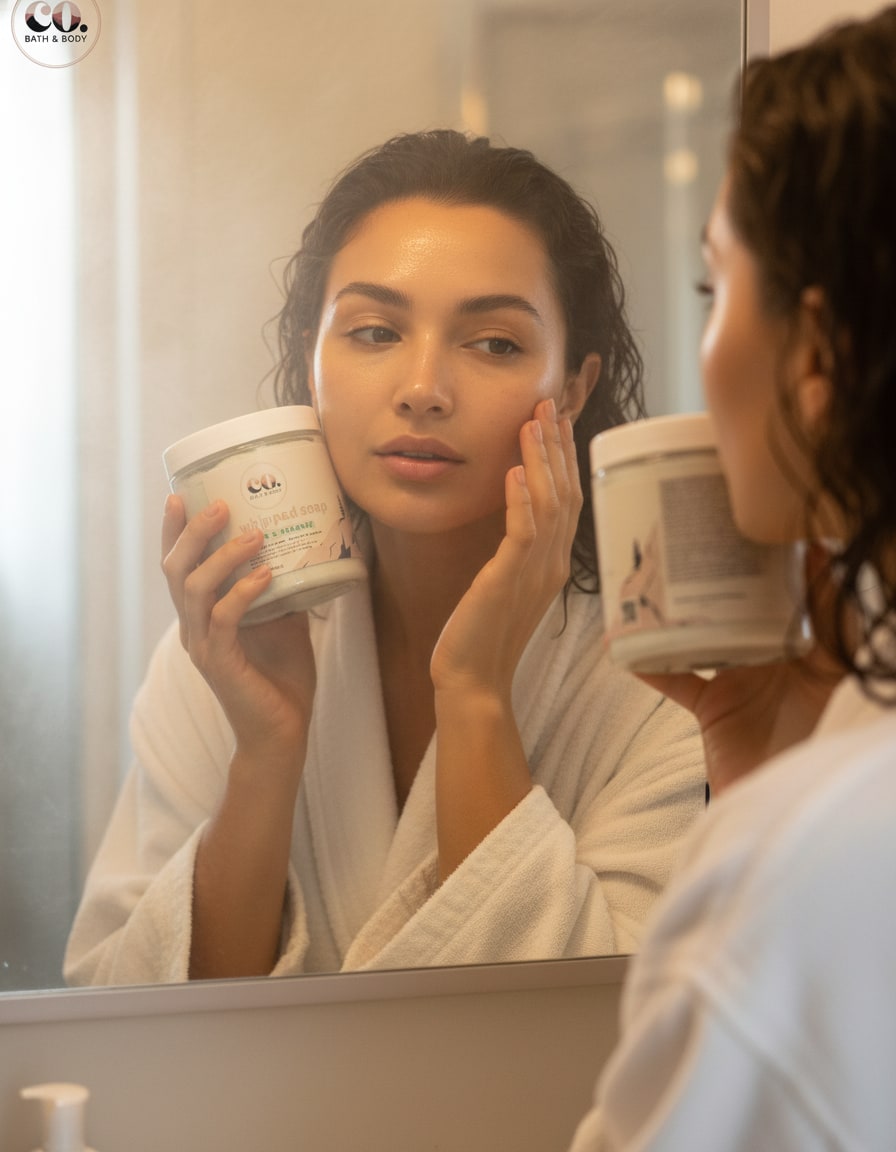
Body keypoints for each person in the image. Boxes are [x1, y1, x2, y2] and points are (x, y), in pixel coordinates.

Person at [64, 130, 705, 986]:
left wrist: (475, 692)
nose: (422, 388)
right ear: (309, 357)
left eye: (495, 344)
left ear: (575, 388)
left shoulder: (666, 678)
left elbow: (603, 1035)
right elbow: (142, 1025)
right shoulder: (228, 651)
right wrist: (266, 747)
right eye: (373, 332)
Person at [568, 7, 896, 1149]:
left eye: (714, 290)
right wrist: (773, 782)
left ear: (814, 357)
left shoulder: (813, 887)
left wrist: (779, 834)